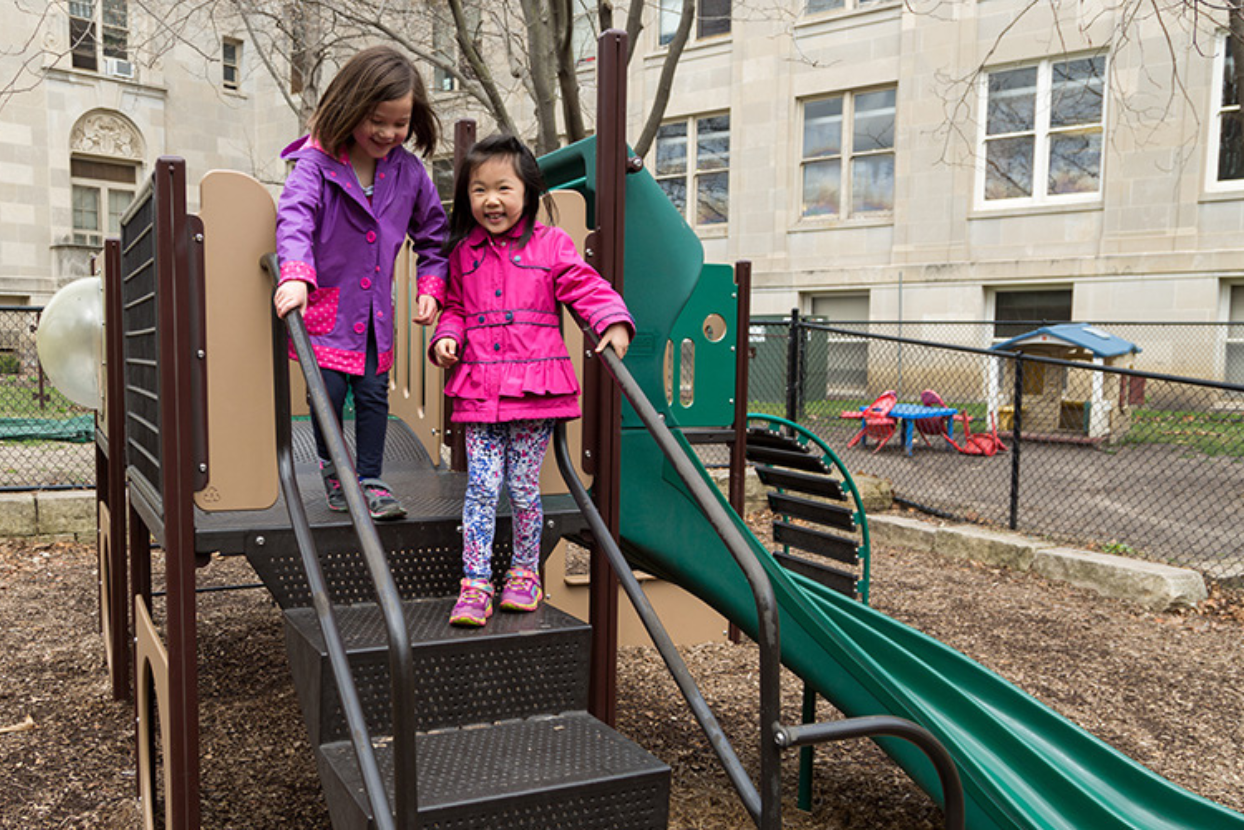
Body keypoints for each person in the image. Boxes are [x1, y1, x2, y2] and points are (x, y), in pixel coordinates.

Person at [430, 134, 633, 627]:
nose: (491, 200)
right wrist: (446, 336)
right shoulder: (463, 254)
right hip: (479, 388)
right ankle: (475, 581)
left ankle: (524, 573)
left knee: (522, 487)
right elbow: (454, 306)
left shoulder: (550, 245)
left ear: (528, 192)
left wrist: (612, 320)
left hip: (533, 389)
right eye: (478, 190)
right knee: (481, 486)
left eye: (503, 188)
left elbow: (585, 285)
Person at [274, 45, 447, 520]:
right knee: (326, 394)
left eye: (400, 123)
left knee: (373, 396)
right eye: (377, 120)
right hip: (328, 310)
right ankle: (336, 473)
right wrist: (296, 276)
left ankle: (370, 479)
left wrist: (431, 287)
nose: (390, 133)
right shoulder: (317, 166)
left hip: (374, 317)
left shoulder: (409, 173)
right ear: (351, 107)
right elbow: (295, 221)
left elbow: (435, 236)